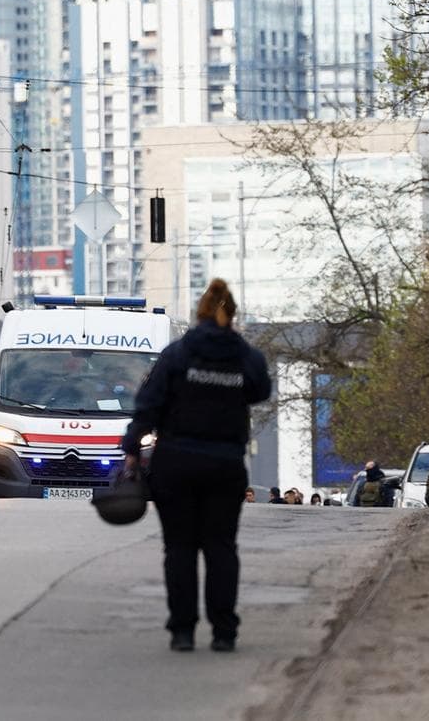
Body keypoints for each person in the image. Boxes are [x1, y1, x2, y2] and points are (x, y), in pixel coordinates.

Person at [121, 278, 272, 654]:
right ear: (231, 315)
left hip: (177, 463)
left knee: (180, 547)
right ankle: (224, 632)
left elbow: (149, 404)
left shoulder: (177, 355)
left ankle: (183, 631)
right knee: (221, 547)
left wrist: (131, 448)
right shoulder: (245, 357)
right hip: (225, 464)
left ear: (199, 314)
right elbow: (261, 390)